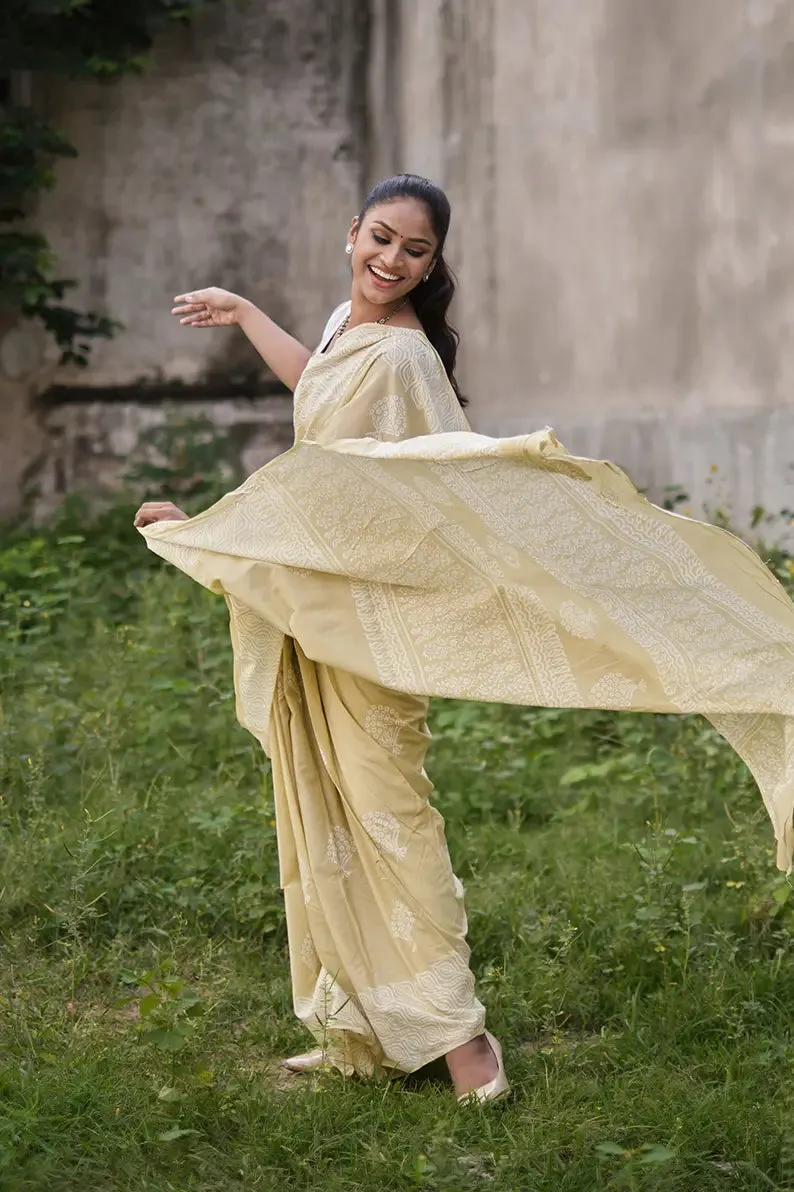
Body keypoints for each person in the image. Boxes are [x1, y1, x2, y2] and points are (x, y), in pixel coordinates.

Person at [135, 173, 794, 1104]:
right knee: (322, 817)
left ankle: (462, 1039)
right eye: (380, 237)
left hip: (369, 626)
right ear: (351, 233)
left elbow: (395, 496)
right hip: (318, 612)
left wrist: (204, 525)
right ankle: (360, 1022)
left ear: (434, 263)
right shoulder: (346, 327)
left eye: (416, 250)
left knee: (389, 821)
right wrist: (246, 313)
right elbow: (320, 399)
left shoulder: (408, 363)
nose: (391, 261)